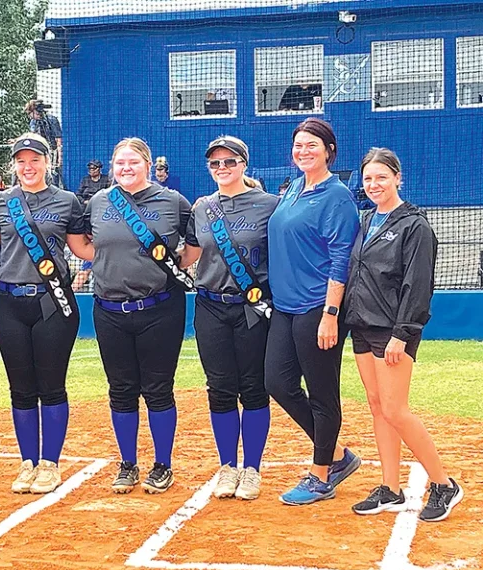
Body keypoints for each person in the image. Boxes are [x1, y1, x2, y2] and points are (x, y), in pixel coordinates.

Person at [344, 148, 463, 521]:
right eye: (368, 178)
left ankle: (444, 484)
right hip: (362, 325)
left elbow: (418, 285)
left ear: (398, 178)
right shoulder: (365, 221)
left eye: (381, 176)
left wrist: (402, 333)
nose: (374, 184)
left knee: (395, 408)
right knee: (378, 406)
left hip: (393, 330)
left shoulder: (415, 225)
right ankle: (391, 488)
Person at [0, 133, 92, 494]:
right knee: (20, 389)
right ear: (14, 164)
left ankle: (50, 463)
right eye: (21, 161)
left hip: (53, 302)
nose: (28, 166)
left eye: (35, 160)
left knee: (51, 385)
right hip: (11, 303)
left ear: (48, 162)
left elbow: (83, 248)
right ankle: (27, 461)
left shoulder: (68, 201)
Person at [85, 137, 191, 495]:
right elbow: (83, 242)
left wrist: (175, 268)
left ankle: (162, 465)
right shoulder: (99, 202)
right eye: (119, 164)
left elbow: (194, 245)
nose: (125, 168)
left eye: (133, 162)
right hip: (110, 310)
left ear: (147, 164)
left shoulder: (173, 202)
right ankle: (127, 463)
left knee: (158, 390)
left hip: (160, 309)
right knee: (121, 390)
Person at [265, 118, 361, 505]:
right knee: (277, 382)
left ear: (329, 151)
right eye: (299, 145)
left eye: (312, 146)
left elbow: (341, 259)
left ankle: (321, 474)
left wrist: (331, 313)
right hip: (285, 306)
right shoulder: (292, 191)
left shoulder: (337, 196)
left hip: (316, 307)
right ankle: (337, 454)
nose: (304, 151)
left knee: (323, 394)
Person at [179, 136, 278, 501]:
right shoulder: (202, 208)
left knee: (253, 388)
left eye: (230, 162)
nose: (222, 169)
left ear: (244, 165)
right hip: (210, 306)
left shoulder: (270, 205)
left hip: (252, 308)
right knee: (219, 388)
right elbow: (188, 255)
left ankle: (251, 468)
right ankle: (227, 466)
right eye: (215, 164)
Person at [24, 99, 63, 187]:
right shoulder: (33, 122)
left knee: (53, 175)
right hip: (40, 152)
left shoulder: (51, 120)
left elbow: (58, 139)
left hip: (53, 151)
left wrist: (59, 157)